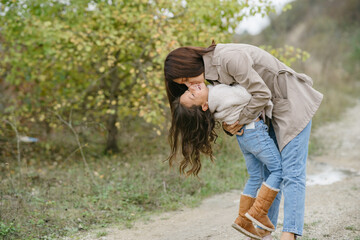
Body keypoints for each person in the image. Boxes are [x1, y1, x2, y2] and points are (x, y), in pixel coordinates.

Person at [164, 42, 323, 240]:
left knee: (291, 171)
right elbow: (231, 106)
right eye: (184, 84)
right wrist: (230, 124)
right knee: (268, 173)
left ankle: (288, 234)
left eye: (187, 79)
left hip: (291, 101)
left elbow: (261, 94)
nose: (189, 85)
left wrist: (239, 121)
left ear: (192, 64)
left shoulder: (229, 59)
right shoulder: (209, 77)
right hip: (267, 111)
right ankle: (262, 231)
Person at [171, 82, 282, 239]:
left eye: (189, 90)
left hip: (244, 138)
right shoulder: (217, 94)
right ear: (204, 106)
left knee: (255, 177)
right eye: (192, 94)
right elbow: (245, 94)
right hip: (255, 133)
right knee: (278, 170)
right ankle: (259, 211)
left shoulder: (213, 104)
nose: (192, 87)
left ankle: (243, 219)